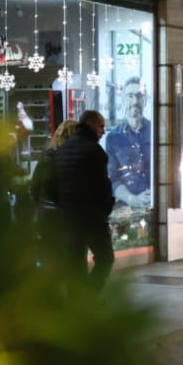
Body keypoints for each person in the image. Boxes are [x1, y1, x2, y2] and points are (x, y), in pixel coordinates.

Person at [56, 109, 115, 286]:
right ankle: (89, 296)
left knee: (75, 261)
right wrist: (107, 206)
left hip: (68, 215)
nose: (103, 131)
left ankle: (77, 302)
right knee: (105, 258)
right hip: (92, 216)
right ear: (90, 124)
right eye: (101, 126)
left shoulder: (64, 148)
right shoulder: (94, 150)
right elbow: (101, 185)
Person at [104, 77, 151, 210]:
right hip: (126, 209)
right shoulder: (113, 138)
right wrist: (133, 199)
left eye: (139, 96)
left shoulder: (156, 132)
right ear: (123, 100)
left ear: (145, 100)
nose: (135, 101)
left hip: (156, 204)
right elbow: (113, 178)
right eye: (130, 96)